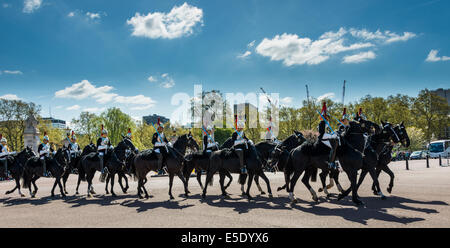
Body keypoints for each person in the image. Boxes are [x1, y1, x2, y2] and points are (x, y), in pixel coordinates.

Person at [317, 102, 339, 170]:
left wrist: (332, 134)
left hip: (325, 135)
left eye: (328, 117)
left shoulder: (325, 122)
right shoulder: (322, 122)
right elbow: (322, 133)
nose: (328, 118)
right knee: (334, 146)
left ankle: (336, 161)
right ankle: (330, 163)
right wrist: (332, 136)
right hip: (322, 136)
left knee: (336, 139)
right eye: (327, 117)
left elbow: (328, 131)